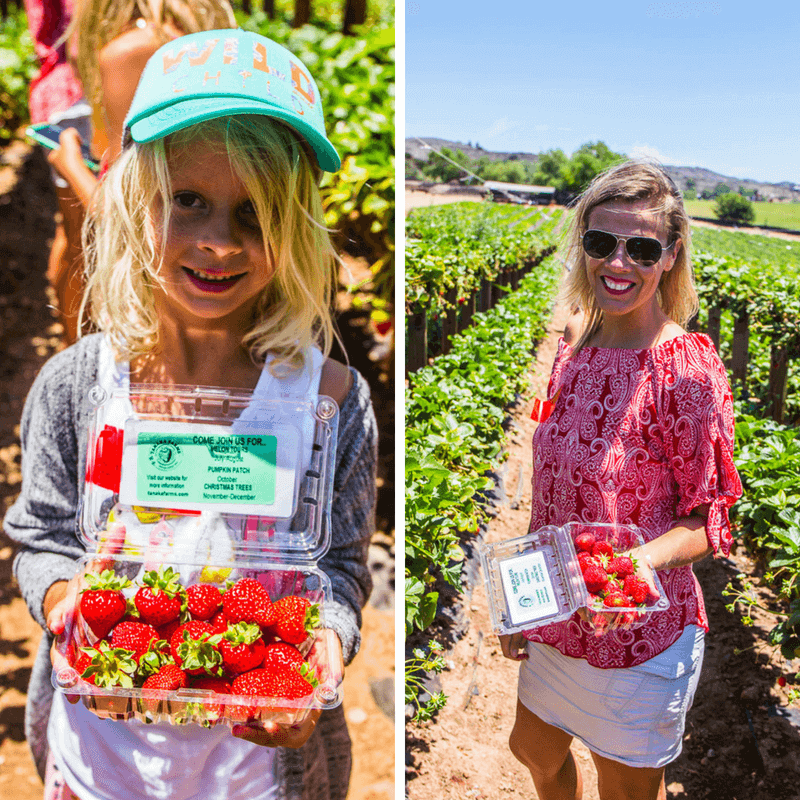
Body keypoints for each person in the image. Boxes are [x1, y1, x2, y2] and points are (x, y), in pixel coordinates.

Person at [5, 29, 376, 800]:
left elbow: (339, 569)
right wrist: (69, 603)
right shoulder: (77, 387)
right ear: (138, 198)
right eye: (189, 201)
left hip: (255, 773)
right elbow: (40, 539)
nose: (219, 242)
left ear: (295, 224)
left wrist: (324, 648)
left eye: (255, 213)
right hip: (100, 760)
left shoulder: (331, 401)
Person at [499, 160, 742, 800]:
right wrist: (521, 599)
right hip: (558, 611)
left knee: (625, 789)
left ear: (670, 256)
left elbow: (710, 521)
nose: (619, 262)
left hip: (638, 632)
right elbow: (549, 490)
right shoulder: (574, 342)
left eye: (642, 248)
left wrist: (636, 564)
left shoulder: (683, 371)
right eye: (603, 242)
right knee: (534, 751)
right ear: (583, 242)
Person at [46, 0, 236, 343]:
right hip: (207, 249)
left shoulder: (129, 51)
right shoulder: (216, 45)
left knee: (73, 242)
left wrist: (70, 164)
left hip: (164, 261)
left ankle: (74, 358)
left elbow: (122, 211)